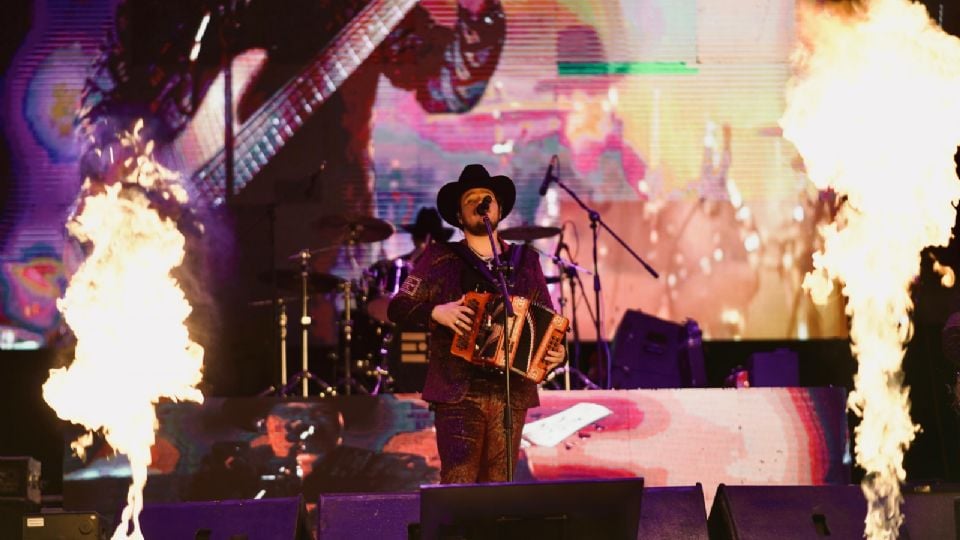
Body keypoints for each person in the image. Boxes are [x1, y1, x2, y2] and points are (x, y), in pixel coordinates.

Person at [73, 0, 508, 395]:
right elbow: (99, 107)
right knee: (190, 410)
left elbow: (446, 88)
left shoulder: (350, 8)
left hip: (319, 258)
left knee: (317, 408)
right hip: (181, 261)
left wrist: (478, 15)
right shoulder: (152, 12)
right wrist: (120, 165)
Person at [387, 163, 565, 483]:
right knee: (459, 482)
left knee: (500, 487)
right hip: (458, 389)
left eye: (486, 198)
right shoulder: (440, 257)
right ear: (458, 216)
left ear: (499, 210)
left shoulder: (525, 260)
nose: (480, 203)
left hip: (510, 391)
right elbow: (398, 306)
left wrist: (556, 353)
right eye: (470, 200)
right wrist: (436, 312)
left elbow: (549, 323)